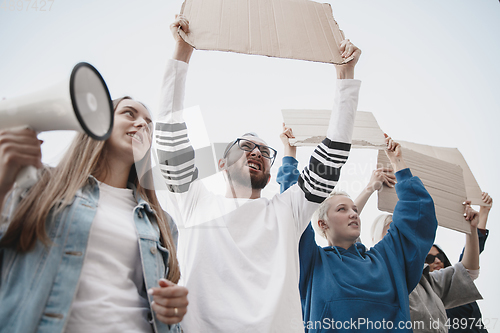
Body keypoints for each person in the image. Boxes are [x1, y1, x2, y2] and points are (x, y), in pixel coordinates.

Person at [154, 15, 361, 332]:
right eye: (245, 146)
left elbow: (331, 157)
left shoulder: (287, 210)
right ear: (221, 164)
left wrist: (345, 77)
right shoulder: (194, 202)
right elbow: (169, 137)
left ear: (270, 169)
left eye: (265, 151)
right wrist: (182, 53)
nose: (256, 153)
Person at [0, 96, 188, 333]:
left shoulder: (163, 222)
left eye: (149, 125)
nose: (142, 124)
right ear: (100, 124)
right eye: (130, 113)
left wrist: (173, 312)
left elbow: (166, 306)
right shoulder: (43, 185)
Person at [278, 132, 438, 332]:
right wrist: (289, 154)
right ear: (322, 223)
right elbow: (293, 208)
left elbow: (417, 218)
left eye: (354, 209)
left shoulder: (386, 261)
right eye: (342, 209)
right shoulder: (312, 263)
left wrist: (398, 163)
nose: (354, 214)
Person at [365, 180, 483, 332]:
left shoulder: (426, 282)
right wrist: (369, 188)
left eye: (404, 236)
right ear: (377, 242)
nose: (398, 241)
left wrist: (472, 230)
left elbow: (468, 271)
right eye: (390, 236)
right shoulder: (370, 279)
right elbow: (344, 242)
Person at [446, 192, 492, 333]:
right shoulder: (426, 293)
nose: (435, 261)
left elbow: (472, 253)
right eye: (429, 259)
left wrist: (483, 212)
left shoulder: (456, 282)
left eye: (439, 256)